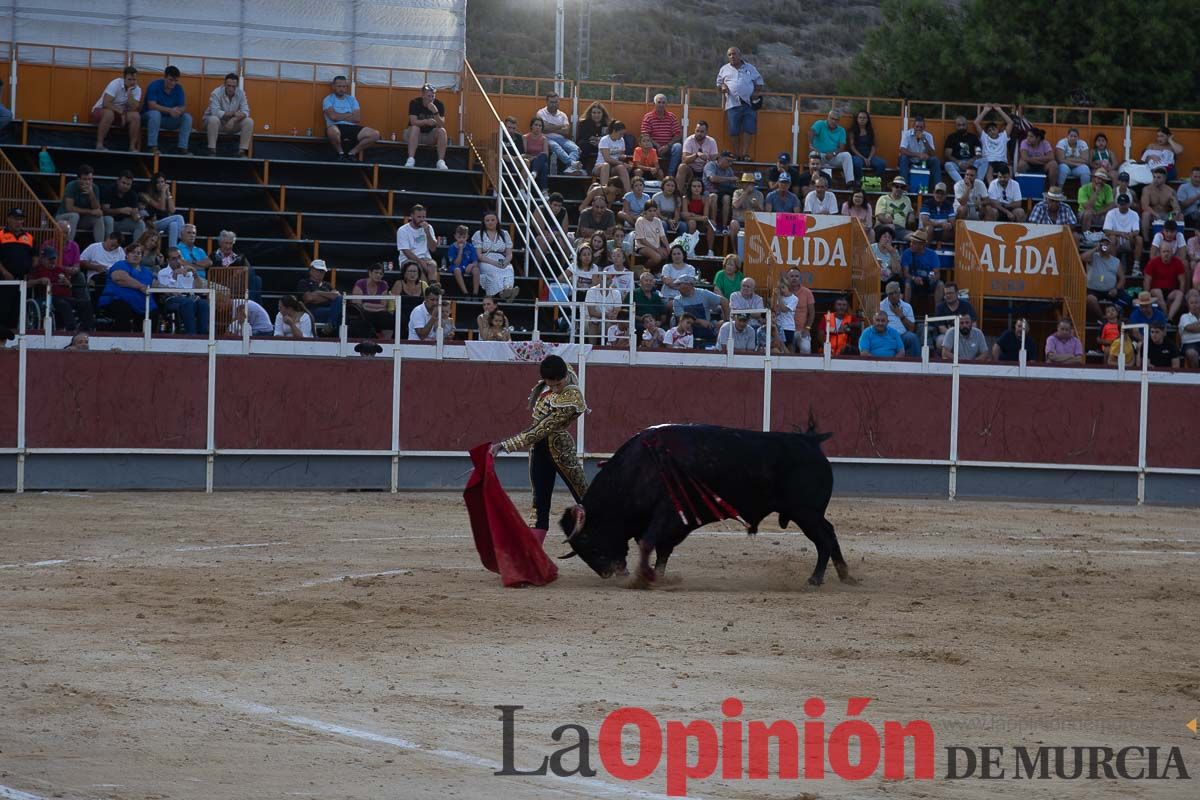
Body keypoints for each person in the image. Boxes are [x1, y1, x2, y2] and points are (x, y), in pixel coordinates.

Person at [490, 354, 589, 543]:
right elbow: (557, 364)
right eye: (550, 385)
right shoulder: (561, 370)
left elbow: (540, 430)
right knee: (539, 504)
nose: (554, 389)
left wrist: (504, 445)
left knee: (586, 498)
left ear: (565, 377)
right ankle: (535, 558)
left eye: (558, 385)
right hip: (539, 451)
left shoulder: (571, 397)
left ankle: (614, 555)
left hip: (560, 449)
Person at [29, 245, 94, 332]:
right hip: (47, 297)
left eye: (54, 259)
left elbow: (69, 285)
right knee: (63, 304)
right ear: (43, 259)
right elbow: (27, 284)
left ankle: (88, 328)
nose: (52, 261)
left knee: (85, 303)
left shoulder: (59, 269)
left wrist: (66, 282)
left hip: (64, 297)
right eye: (49, 259)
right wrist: (39, 280)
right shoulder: (37, 269)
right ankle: (71, 328)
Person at [96, 242, 158, 331]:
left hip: (143, 304)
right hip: (117, 300)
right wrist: (141, 286)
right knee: (123, 309)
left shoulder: (147, 271)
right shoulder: (120, 264)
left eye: (139, 253)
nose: (136, 255)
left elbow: (155, 284)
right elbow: (120, 278)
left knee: (154, 312)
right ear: (127, 255)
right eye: (133, 252)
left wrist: (172, 291)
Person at [716, 47, 763, 160]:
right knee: (733, 130)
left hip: (748, 104)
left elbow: (759, 82)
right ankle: (737, 154)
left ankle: (745, 154)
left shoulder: (750, 68)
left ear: (740, 55)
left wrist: (755, 93)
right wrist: (722, 87)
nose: (732, 56)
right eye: (730, 55)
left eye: (734, 54)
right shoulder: (724, 69)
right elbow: (719, 83)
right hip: (732, 104)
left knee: (748, 129)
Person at [322, 75, 380, 162]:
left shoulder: (352, 99)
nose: (342, 89)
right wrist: (349, 114)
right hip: (335, 126)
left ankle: (352, 153)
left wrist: (340, 116)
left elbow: (357, 118)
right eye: (339, 86)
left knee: (375, 134)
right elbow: (333, 117)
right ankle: (340, 153)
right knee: (332, 131)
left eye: (344, 86)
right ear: (333, 86)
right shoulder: (328, 99)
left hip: (351, 127)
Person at [157, 246, 208, 335]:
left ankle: (203, 335)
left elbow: (199, 289)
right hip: (171, 299)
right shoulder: (162, 273)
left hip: (189, 297)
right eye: (174, 258)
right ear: (168, 260)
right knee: (188, 302)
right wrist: (174, 276)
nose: (178, 261)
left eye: (179, 257)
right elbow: (168, 291)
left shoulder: (188, 271)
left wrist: (195, 274)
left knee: (203, 303)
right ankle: (191, 334)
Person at [142, 65, 192, 155]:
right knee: (155, 114)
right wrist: (170, 110)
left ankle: (183, 148)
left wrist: (178, 111)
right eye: (170, 80)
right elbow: (151, 105)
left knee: (187, 117)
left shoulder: (179, 88)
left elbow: (183, 107)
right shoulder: (154, 85)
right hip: (150, 119)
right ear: (164, 77)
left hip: (168, 120)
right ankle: (152, 146)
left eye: (176, 81)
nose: (173, 83)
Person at [92, 66, 142, 151]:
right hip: (101, 111)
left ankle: (132, 147)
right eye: (130, 79)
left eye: (134, 80)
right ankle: (99, 145)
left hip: (119, 114)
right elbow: (106, 103)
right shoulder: (115, 83)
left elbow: (135, 108)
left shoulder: (137, 89)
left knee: (136, 116)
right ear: (124, 78)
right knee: (109, 114)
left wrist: (130, 95)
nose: (132, 82)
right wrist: (121, 112)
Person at [56, 164, 110, 244]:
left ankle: (99, 248)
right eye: (85, 179)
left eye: (90, 179)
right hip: (64, 217)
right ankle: (68, 246)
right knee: (74, 215)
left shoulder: (94, 188)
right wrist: (90, 212)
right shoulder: (71, 186)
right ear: (79, 179)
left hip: (81, 220)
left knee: (98, 218)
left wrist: (91, 194)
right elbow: (69, 208)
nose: (88, 182)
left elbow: (97, 209)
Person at [203, 72, 253, 157]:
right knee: (213, 119)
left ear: (236, 86)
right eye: (229, 85)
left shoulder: (241, 93)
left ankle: (242, 152)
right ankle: (212, 151)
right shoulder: (216, 93)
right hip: (216, 124)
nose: (231, 89)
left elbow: (246, 111)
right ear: (224, 84)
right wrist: (233, 114)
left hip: (231, 124)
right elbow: (215, 112)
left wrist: (233, 120)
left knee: (249, 121)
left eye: (233, 86)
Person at [0, 208, 34, 328]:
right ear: (8, 219)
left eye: (21, 219)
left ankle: (11, 340)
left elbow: (33, 257)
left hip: (21, 281)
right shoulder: (1, 235)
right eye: (16, 218)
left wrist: (29, 273)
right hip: (3, 280)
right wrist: (4, 272)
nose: (18, 222)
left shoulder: (29, 237)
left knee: (16, 311)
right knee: (3, 310)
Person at [672, 274, 726, 347]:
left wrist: (727, 322)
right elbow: (682, 319)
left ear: (689, 285)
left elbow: (724, 302)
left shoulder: (703, 293)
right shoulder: (677, 300)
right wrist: (700, 321)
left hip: (707, 329)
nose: (677, 288)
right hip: (688, 330)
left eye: (679, 284)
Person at [536, 92, 584, 175]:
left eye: (556, 102)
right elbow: (543, 129)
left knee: (576, 149)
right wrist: (560, 126)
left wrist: (550, 127)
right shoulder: (540, 113)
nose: (554, 104)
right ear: (547, 102)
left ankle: (569, 168)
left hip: (562, 138)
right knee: (556, 146)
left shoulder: (563, 115)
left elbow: (566, 131)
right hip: (546, 138)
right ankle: (572, 164)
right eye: (551, 102)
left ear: (558, 102)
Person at [473, 212, 517, 300]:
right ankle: (502, 293)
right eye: (487, 220)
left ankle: (507, 289)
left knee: (508, 269)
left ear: (497, 221)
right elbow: (479, 255)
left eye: (492, 220)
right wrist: (494, 263)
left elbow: (509, 253)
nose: (490, 222)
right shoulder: (479, 234)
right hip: (486, 260)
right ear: (484, 222)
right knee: (494, 271)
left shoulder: (504, 234)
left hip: (501, 259)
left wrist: (505, 262)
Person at [404, 84, 448, 170]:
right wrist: (426, 122)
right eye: (428, 96)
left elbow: (441, 124)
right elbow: (413, 121)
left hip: (430, 135)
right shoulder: (415, 102)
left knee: (442, 131)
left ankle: (441, 161)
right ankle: (411, 159)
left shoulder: (439, 104)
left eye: (433, 96)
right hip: (414, 135)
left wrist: (435, 112)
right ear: (423, 95)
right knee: (415, 127)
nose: (431, 99)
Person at [640, 94, 683, 178]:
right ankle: (649, 173)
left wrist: (668, 146)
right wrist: (657, 145)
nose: (661, 105)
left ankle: (670, 175)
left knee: (678, 147)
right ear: (654, 104)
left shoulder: (672, 117)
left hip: (668, 147)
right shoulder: (648, 117)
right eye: (659, 102)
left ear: (666, 104)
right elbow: (645, 135)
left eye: (663, 103)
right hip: (653, 146)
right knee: (646, 144)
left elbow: (678, 135)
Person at [212, 229, 260, 303]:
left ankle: (251, 304)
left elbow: (250, 270)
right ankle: (251, 305)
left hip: (239, 284)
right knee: (256, 280)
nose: (228, 246)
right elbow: (214, 274)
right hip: (222, 284)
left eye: (230, 243)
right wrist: (233, 273)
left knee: (257, 279)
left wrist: (243, 270)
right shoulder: (214, 256)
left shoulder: (239, 257)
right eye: (226, 243)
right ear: (220, 243)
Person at [1084, 236, 1126, 319]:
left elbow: (1122, 278)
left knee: (1126, 298)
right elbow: (1083, 257)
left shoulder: (1116, 261)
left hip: (1110, 290)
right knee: (1090, 299)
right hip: (1093, 290)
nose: (1105, 246)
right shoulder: (1093, 256)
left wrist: (1116, 289)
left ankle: (1118, 316)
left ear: (1111, 247)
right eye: (1103, 244)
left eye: (1107, 244)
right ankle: (1103, 318)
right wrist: (1096, 248)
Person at [140, 171, 186, 249]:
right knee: (179, 217)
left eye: (162, 182)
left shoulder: (165, 194)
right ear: (154, 184)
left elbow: (172, 210)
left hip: (164, 223)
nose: (161, 184)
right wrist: (163, 192)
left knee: (174, 225)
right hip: (152, 224)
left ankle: (172, 250)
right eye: (158, 182)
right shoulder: (146, 195)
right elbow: (161, 207)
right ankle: (184, 241)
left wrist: (168, 194)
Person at [809, 109, 854, 186]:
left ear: (839, 121)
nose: (834, 121)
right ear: (828, 117)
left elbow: (842, 147)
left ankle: (850, 182)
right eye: (832, 118)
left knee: (847, 155)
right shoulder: (820, 124)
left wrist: (833, 153)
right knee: (813, 154)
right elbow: (811, 131)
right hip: (820, 155)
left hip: (833, 156)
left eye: (836, 120)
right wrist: (810, 144)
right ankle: (815, 181)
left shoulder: (841, 130)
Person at [676, 121, 719, 202]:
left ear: (706, 132)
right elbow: (684, 160)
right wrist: (696, 155)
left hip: (705, 170)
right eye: (697, 131)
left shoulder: (711, 141)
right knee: (682, 167)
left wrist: (706, 159)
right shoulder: (689, 140)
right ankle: (678, 196)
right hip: (691, 170)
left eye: (702, 132)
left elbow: (714, 161)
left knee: (712, 168)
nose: (699, 133)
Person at [1142, 243, 1187, 321]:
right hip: (1156, 290)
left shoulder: (1177, 262)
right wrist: (1147, 294)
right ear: (1160, 252)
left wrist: (1182, 293)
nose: (1166, 254)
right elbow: (1147, 280)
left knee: (1179, 294)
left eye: (1168, 251)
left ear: (1172, 252)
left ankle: (1169, 317)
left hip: (1171, 291)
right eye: (1164, 251)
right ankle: (1165, 315)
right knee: (1158, 291)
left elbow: (1182, 280)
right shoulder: (1153, 262)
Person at [396, 204, 438, 283]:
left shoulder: (429, 228)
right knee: (417, 268)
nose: (422, 220)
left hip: (425, 258)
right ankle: (425, 291)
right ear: (412, 216)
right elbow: (406, 252)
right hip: (407, 260)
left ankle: (433, 289)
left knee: (432, 265)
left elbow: (433, 249)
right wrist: (420, 262)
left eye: (424, 217)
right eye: (419, 217)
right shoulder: (403, 230)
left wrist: (427, 232)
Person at [350, 262, 393, 339]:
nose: (378, 275)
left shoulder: (384, 285)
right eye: (376, 272)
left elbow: (383, 305)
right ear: (370, 273)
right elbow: (358, 304)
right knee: (361, 318)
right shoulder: (360, 283)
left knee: (387, 317)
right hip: (363, 312)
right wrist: (371, 307)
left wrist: (366, 305)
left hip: (377, 313)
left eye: (381, 274)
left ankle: (387, 342)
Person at [1102, 193, 1143, 274]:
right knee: (1112, 238)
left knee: (1139, 239)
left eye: (1124, 204)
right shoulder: (1111, 213)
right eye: (1120, 204)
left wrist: (1131, 235)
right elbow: (1106, 231)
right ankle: (1113, 266)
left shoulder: (1134, 214)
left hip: (1129, 240)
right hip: (1116, 240)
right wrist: (1121, 233)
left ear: (1128, 204)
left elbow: (1136, 231)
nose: (1122, 206)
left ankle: (1136, 267)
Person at [297, 259, 341, 333]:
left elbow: (337, 296)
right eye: (317, 270)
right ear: (311, 270)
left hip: (329, 309)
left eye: (322, 271)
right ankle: (331, 326)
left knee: (341, 310)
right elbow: (309, 298)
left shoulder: (327, 285)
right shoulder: (304, 282)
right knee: (338, 313)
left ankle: (332, 327)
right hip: (311, 310)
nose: (320, 273)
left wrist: (318, 293)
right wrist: (329, 297)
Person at [102, 170, 146, 242]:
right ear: (118, 181)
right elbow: (104, 211)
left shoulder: (133, 194)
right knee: (108, 219)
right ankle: (107, 246)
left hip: (123, 222)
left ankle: (135, 249)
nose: (125, 186)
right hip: (109, 222)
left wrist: (137, 217)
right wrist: (120, 210)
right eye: (123, 183)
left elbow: (135, 214)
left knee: (140, 224)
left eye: (128, 184)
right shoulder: (109, 190)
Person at [898, 115, 941, 186]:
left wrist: (924, 141)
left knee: (935, 160)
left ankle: (938, 188)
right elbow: (902, 150)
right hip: (910, 160)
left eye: (921, 127)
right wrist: (918, 154)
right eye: (917, 127)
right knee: (903, 158)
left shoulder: (928, 136)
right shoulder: (907, 134)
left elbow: (933, 154)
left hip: (923, 161)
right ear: (913, 126)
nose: (918, 129)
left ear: (924, 128)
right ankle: (904, 186)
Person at [943, 115, 986, 184]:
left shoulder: (973, 137)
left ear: (967, 125)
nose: (961, 127)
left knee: (984, 160)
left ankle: (977, 184)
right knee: (947, 165)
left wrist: (971, 161)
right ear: (956, 126)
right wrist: (958, 162)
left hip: (971, 163)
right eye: (959, 125)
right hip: (957, 163)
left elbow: (979, 154)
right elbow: (947, 155)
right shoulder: (951, 137)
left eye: (963, 125)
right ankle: (963, 184)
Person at [881, 280, 919, 356]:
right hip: (887, 335)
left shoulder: (907, 307)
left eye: (896, 292)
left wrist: (901, 315)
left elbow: (912, 329)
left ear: (899, 293)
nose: (894, 296)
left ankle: (915, 364)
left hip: (902, 335)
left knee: (912, 337)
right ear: (887, 295)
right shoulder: (881, 306)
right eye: (891, 294)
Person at [391, 261, 428, 339]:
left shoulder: (423, 285)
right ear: (404, 273)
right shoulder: (399, 283)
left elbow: (428, 301)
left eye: (415, 271)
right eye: (410, 271)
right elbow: (392, 303)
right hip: (402, 313)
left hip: (418, 313)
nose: (412, 274)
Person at [703, 151, 737, 231]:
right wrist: (730, 179)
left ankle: (724, 226)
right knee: (714, 196)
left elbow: (732, 186)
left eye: (731, 161)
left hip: (723, 192)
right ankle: (714, 224)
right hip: (708, 191)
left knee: (727, 198)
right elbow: (712, 178)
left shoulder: (729, 170)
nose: (730, 163)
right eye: (728, 160)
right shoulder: (711, 165)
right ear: (720, 158)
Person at [848, 110, 886, 178]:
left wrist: (869, 158)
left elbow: (873, 146)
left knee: (882, 163)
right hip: (857, 155)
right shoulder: (852, 131)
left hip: (869, 155)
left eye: (864, 118)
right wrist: (863, 158)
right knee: (857, 164)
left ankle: (874, 182)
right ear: (857, 119)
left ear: (867, 120)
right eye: (860, 117)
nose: (862, 119)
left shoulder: (870, 130)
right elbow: (852, 146)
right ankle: (860, 182)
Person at [634, 201, 670, 273]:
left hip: (656, 246)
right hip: (642, 246)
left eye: (654, 210)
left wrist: (668, 247)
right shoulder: (640, 221)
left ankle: (657, 272)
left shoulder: (658, 221)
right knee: (657, 257)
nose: (652, 213)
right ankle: (644, 270)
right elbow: (642, 240)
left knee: (667, 254)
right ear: (645, 211)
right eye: (650, 211)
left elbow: (662, 236)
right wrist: (656, 249)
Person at [445, 224, 479, 296]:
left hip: (467, 266)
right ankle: (465, 292)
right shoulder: (452, 247)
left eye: (464, 237)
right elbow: (456, 263)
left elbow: (475, 260)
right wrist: (460, 250)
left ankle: (475, 293)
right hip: (456, 266)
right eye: (459, 237)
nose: (461, 239)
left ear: (467, 237)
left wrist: (472, 265)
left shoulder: (470, 246)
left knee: (476, 270)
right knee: (457, 270)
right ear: (455, 236)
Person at [575, 102, 610, 172]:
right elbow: (584, 135)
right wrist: (596, 140)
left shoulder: (607, 124)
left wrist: (599, 142)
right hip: (587, 144)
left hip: (601, 146)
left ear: (603, 114)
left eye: (599, 113)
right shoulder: (583, 123)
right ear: (590, 113)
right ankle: (581, 168)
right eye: (594, 113)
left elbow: (608, 137)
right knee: (584, 145)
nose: (596, 115)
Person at [1178, 291, 1200, 369]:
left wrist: (1195, 326)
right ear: (1188, 305)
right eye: (1191, 303)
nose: (1194, 305)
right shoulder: (1184, 317)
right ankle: (1197, 375)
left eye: (1196, 303)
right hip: (1189, 344)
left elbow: (1193, 328)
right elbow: (1189, 328)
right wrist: (1194, 327)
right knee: (1191, 353)